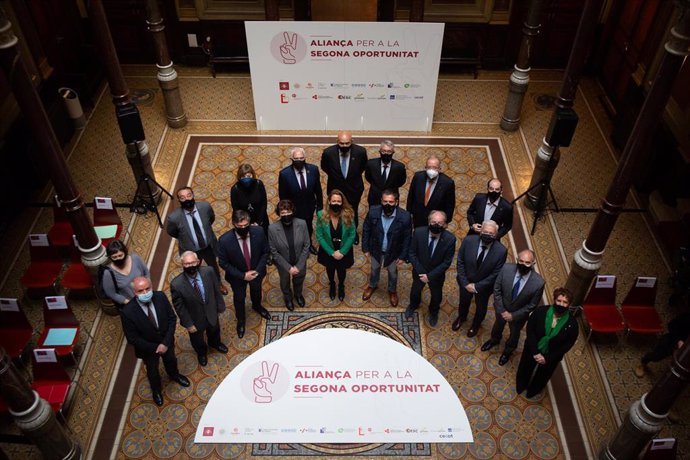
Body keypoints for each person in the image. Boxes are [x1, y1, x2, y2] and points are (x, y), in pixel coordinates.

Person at [120, 276, 190, 406]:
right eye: (141, 291)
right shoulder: (127, 312)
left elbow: (171, 319)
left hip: (166, 341)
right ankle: (156, 390)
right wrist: (155, 348)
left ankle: (175, 375)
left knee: (171, 360)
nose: (145, 293)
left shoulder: (160, 297)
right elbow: (132, 338)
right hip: (148, 350)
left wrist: (165, 342)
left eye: (148, 288)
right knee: (152, 371)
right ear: (135, 293)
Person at [481, 249, 545, 366]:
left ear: (533, 263)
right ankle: (494, 340)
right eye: (521, 261)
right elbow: (497, 289)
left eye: (527, 262)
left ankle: (508, 351)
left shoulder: (539, 283)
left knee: (514, 333)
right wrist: (502, 310)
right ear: (517, 260)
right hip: (501, 309)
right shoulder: (506, 269)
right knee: (497, 325)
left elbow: (532, 305)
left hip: (518, 316)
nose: (523, 264)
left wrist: (513, 315)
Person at [516, 287, 579, 398]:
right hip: (532, 349)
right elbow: (530, 331)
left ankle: (534, 389)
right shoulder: (540, 312)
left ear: (569, 305)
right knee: (525, 367)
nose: (561, 304)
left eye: (565, 302)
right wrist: (535, 352)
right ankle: (521, 384)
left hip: (551, 356)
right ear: (554, 300)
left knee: (543, 375)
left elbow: (567, 345)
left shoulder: (572, 324)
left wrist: (547, 358)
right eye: (559, 301)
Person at [217, 210, 271, 339]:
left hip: (256, 272)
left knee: (256, 291)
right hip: (237, 277)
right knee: (239, 298)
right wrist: (243, 275)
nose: (243, 228)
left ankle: (257, 306)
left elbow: (265, 252)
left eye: (245, 225)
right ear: (234, 224)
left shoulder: (258, 232)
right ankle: (241, 320)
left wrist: (257, 270)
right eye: (239, 226)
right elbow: (223, 263)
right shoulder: (224, 240)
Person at [166, 186, 228, 295]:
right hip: (190, 250)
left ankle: (218, 284)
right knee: (192, 269)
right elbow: (172, 232)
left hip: (208, 246)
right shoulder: (174, 218)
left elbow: (211, 219)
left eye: (189, 195)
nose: (187, 199)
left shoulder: (205, 207)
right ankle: (197, 288)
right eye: (183, 197)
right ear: (179, 200)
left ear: (193, 195)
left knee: (213, 266)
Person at [170, 251, 227, 367]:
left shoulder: (209, 271)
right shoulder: (177, 284)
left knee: (214, 329)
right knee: (197, 340)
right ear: (182, 264)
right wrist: (189, 324)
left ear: (198, 262)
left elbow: (216, 289)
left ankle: (215, 343)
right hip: (194, 319)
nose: (191, 266)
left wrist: (220, 306)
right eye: (187, 264)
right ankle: (201, 353)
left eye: (193, 263)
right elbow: (180, 307)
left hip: (211, 311)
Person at [453, 220, 508, 337]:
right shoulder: (468, 241)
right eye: (485, 232)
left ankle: (475, 325)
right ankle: (461, 318)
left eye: (491, 234)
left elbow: (496, 273)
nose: (488, 235)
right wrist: (466, 283)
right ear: (480, 231)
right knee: (463, 302)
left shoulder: (501, 251)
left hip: (484, 288)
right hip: (465, 282)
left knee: (481, 308)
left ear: (496, 235)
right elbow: (460, 262)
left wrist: (477, 286)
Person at [405, 211, 457, 327]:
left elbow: (446, 262)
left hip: (436, 275)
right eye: (433, 222)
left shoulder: (450, 239)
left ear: (445, 225)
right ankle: (413, 305)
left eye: (439, 223)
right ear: (429, 222)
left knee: (436, 295)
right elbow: (412, 253)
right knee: (416, 290)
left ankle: (433, 312)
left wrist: (430, 276)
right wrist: (422, 272)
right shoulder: (418, 232)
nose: (436, 225)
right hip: (419, 272)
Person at [361, 189, 412, 307]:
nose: (387, 204)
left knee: (393, 273)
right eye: (385, 201)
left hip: (394, 252)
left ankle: (392, 290)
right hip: (376, 249)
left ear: (396, 202)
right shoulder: (373, 211)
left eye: (391, 202)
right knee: (374, 269)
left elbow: (407, 238)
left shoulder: (405, 217)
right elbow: (366, 229)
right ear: (381, 201)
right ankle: (373, 285)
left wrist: (403, 256)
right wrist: (365, 248)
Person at [320, 131, 367, 244]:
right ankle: (337, 233)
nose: (345, 146)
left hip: (354, 188)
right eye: (342, 143)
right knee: (335, 211)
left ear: (352, 142)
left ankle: (353, 233)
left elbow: (363, 167)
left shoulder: (360, 152)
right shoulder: (328, 153)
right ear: (337, 142)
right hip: (335, 188)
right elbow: (325, 167)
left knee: (353, 210)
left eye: (347, 143)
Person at [278, 147, 323, 255]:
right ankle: (298, 247)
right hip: (293, 209)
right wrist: (286, 210)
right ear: (292, 159)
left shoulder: (313, 169)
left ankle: (308, 245)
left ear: (305, 158)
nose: (299, 160)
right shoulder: (284, 174)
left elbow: (318, 190)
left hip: (309, 206)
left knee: (308, 227)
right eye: (296, 158)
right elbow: (283, 195)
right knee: (295, 229)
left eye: (301, 158)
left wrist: (319, 207)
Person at [268, 200, 311, 310]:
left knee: (299, 279)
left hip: (299, 261)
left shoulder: (302, 224)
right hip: (283, 263)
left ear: (293, 211)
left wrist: (299, 265)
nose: (286, 215)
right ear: (279, 213)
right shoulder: (272, 229)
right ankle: (288, 297)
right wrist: (288, 267)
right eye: (283, 213)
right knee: (284, 281)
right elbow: (274, 251)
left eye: (288, 212)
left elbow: (306, 245)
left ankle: (298, 294)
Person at [316, 189, 356, 301]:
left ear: (342, 202)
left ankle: (341, 285)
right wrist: (331, 252)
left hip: (344, 250)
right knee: (330, 269)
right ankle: (332, 284)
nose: (336, 203)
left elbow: (352, 235)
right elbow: (319, 236)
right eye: (334, 201)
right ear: (329, 201)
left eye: (339, 201)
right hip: (328, 250)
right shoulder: (321, 215)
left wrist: (342, 252)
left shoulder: (349, 214)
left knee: (342, 270)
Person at [634, 311, 690, 378]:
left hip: (684, 352)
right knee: (656, 356)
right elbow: (671, 325)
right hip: (672, 341)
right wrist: (679, 340)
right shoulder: (687, 317)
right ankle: (644, 362)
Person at [406, 155, 456, 228]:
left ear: (439, 169)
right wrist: (409, 214)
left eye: (435, 168)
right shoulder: (418, 177)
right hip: (418, 217)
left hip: (436, 221)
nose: (431, 170)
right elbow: (411, 196)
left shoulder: (448, 183)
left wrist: (446, 221)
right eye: (429, 167)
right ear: (425, 168)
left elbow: (450, 205)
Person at [101, 240, 150, 309]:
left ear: (125, 252)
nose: (118, 258)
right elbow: (111, 293)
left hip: (146, 295)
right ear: (110, 257)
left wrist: (148, 290)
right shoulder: (108, 273)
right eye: (114, 257)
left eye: (120, 255)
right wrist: (131, 304)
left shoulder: (135, 259)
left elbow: (146, 273)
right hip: (132, 304)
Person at [364, 140, 407, 206]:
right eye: (383, 151)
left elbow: (401, 181)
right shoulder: (371, 164)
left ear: (393, 152)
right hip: (374, 198)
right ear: (380, 152)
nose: (386, 153)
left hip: (391, 199)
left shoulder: (399, 167)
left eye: (389, 151)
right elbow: (368, 177)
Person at [230, 163, 269, 234]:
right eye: (243, 176)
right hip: (244, 223)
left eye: (248, 176)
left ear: (252, 175)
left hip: (261, 218)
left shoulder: (259, 184)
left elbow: (264, 204)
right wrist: (246, 224)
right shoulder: (235, 189)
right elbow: (236, 209)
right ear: (239, 177)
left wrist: (258, 222)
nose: (246, 178)